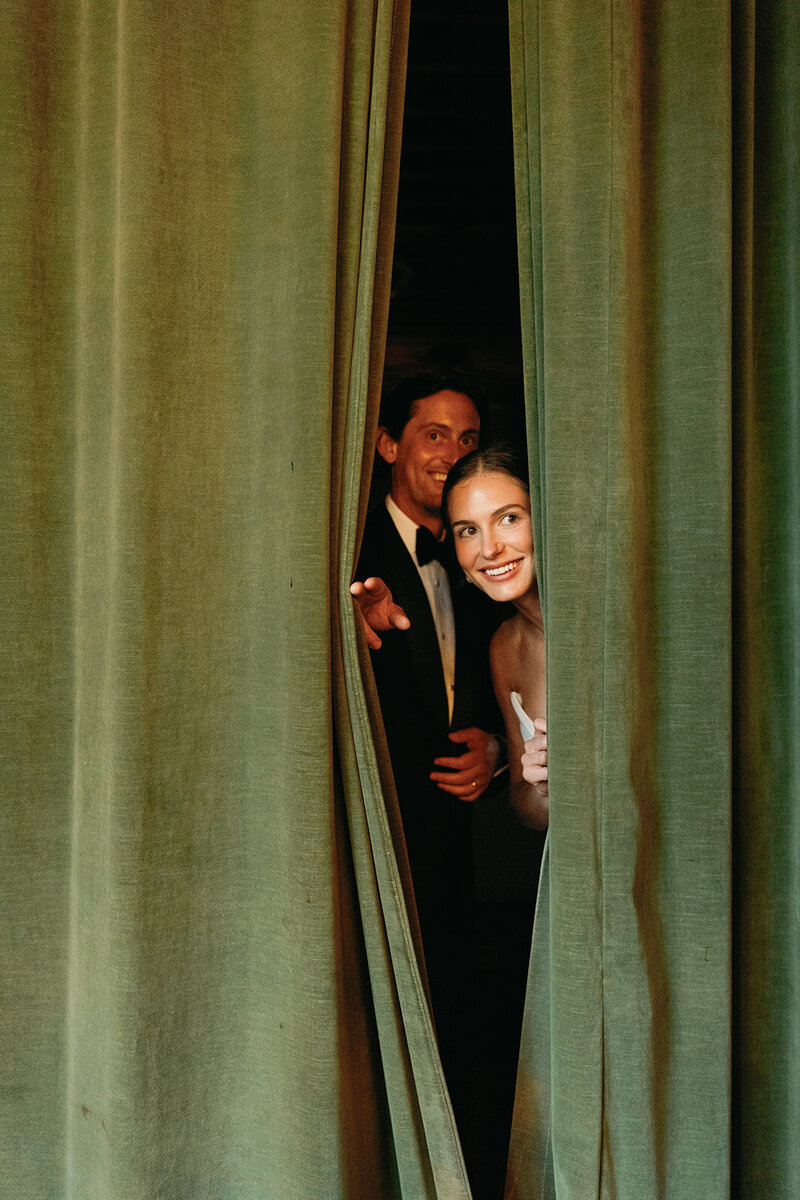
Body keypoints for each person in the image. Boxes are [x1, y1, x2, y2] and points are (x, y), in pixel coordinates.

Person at [351, 371, 506, 1141]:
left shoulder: (490, 559)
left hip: (467, 866)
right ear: (387, 444)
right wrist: (347, 614)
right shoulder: (353, 557)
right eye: (434, 433)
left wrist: (499, 751)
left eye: (468, 436)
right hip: (377, 861)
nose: (452, 452)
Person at [441, 446, 549, 829]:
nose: (489, 549)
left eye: (509, 518)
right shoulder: (505, 647)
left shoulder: (611, 623)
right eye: (468, 530)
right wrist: (544, 789)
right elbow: (525, 804)